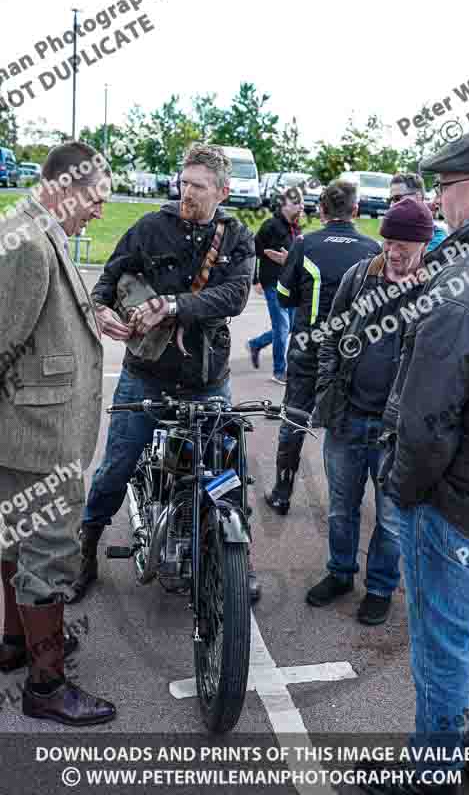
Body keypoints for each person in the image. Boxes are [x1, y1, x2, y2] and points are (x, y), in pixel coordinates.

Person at [373, 126, 469, 794]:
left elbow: (428, 407)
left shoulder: (467, 268)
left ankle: (429, 772)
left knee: (444, 649)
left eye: (441, 189)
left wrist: (403, 488)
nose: (436, 203)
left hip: (460, 499)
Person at [70, 144, 260, 603]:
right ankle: (86, 551)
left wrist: (171, 305)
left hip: (207, 378)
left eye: (197, 185)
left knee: (226, 473)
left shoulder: (237, 236)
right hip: (146, 374)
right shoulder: (149, 228)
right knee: (116, 466)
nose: (186, 191)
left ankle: (237, 558)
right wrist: (100, 308)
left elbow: (234, 297)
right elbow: (109, 279)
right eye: (183, 181)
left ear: (223, 190)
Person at [0, 141, 116, 725]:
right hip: (38, 436)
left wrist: (97, 319)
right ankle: (46, 687)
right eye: (96, 197)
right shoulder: (26, 241)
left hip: (30, 430)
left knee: (16, 543)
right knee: (48, 553)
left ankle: (17, 642)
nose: (99, 211)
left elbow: (43, 319)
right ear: (67, 185)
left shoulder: (38, 230)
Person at [311, 197, 435, 626]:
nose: (393, 251)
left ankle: (380, 587)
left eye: (403, 244)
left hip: (396, 431)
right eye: (387, 241)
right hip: (347, 417)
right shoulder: (360, 276)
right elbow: (330, 333)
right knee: (340, 506)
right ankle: (340, 573)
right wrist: (327, 385)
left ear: (424, 243)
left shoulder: (436, 286)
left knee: (391, 517)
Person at [263, 180, 381, 516]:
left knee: (295, 418)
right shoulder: (372, 249)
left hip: (308, 345)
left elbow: (284, 297)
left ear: (322, 210)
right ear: (355, 211)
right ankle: (346, 503)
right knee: (347, 421)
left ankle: (282, 492)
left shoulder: (305, 244)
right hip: (353, 350)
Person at [246, 187, 303, 384]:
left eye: (302, 203)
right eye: (296, 203)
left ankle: (255, 344)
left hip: (293, 286)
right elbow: (253, 252)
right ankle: (280, 372)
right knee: (282, 327)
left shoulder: (297, 229)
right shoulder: (270, 226)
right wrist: (255, 280)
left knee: (289, 327)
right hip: (273, 283)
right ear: (283, 205)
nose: (301, 207)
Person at [390, 172, 447, 251]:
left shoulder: (437, 240)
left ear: (418, 197)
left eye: (397, 199)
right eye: (391, 200)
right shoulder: (392, 234)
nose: (392, 205)